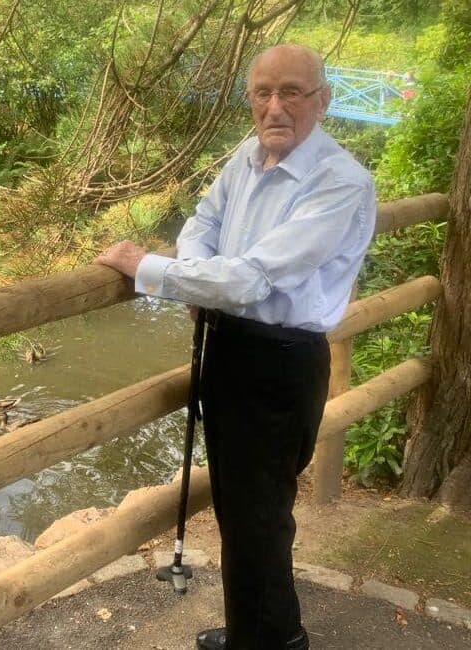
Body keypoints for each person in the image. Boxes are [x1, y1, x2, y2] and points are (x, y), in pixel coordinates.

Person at [95, 44, 376, 650]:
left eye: (292, 93)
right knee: (238, 510)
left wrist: (149, 268)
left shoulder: (341, 183)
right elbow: (201, 225)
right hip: (229, 350)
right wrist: (201, 279)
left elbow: (252, 278)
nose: (275, 107)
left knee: (258, 518)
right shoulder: (247, 158)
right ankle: (259, 631)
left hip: (279, 359)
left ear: (322, 102)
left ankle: (274, 640)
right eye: (262, 93)